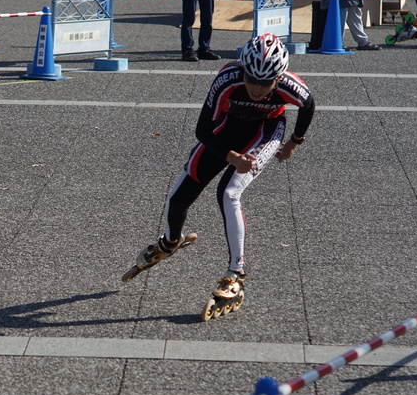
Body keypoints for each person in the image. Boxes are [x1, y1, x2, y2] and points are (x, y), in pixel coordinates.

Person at [123, 34, 316, 308]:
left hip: (266, 131)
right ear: (244, 71)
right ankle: (170, 242)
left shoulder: (291, 86)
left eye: (266, 83)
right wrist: (231, 156)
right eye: (252, 79)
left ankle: (237, 273)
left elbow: (308, 106)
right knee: (179, 196)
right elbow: (202, 130)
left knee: (228, 193)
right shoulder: (228, 78)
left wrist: (294, 142)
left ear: (278, 78)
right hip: (227, 128)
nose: (257, 88)